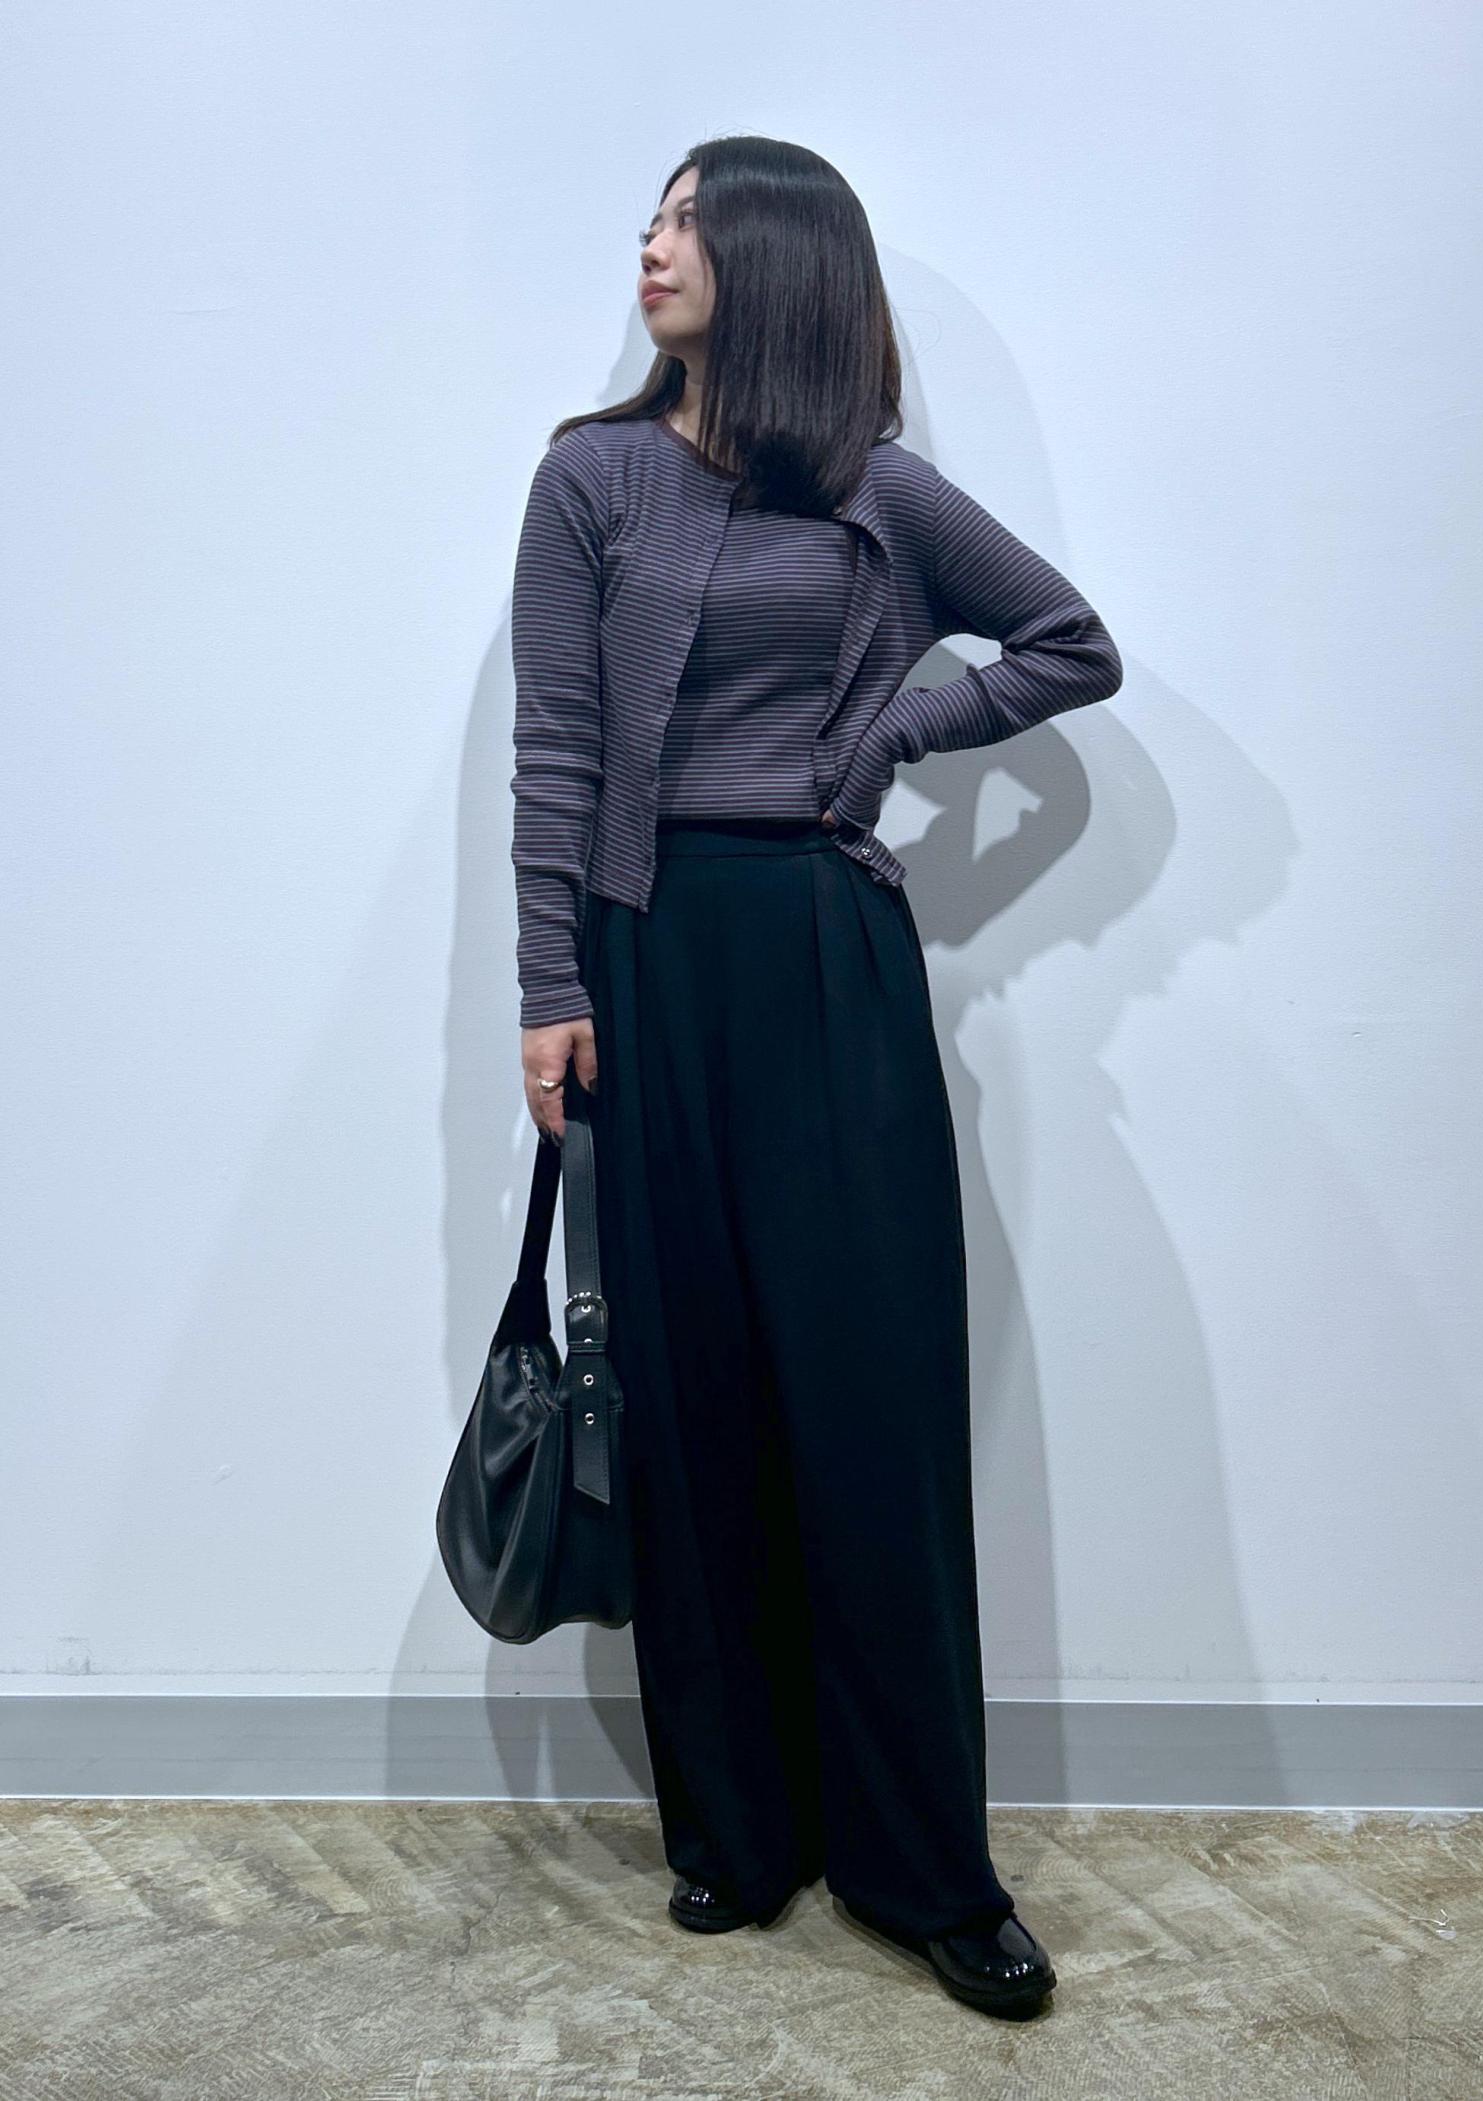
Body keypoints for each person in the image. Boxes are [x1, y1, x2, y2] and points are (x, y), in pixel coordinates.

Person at [508, 135, 1123, 2021]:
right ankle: (738, 1826)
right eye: (654, 212)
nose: (652, 242)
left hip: (828, 952)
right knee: (689, 1401)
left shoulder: (880, 490)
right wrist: (547, 980)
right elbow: (557, 744)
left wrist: (896, 737)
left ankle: (926, 1863)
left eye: (690, 218)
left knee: (869, 1402)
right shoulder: (593, 474)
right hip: (643, 958)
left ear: (778, 259)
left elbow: (1071, 646)